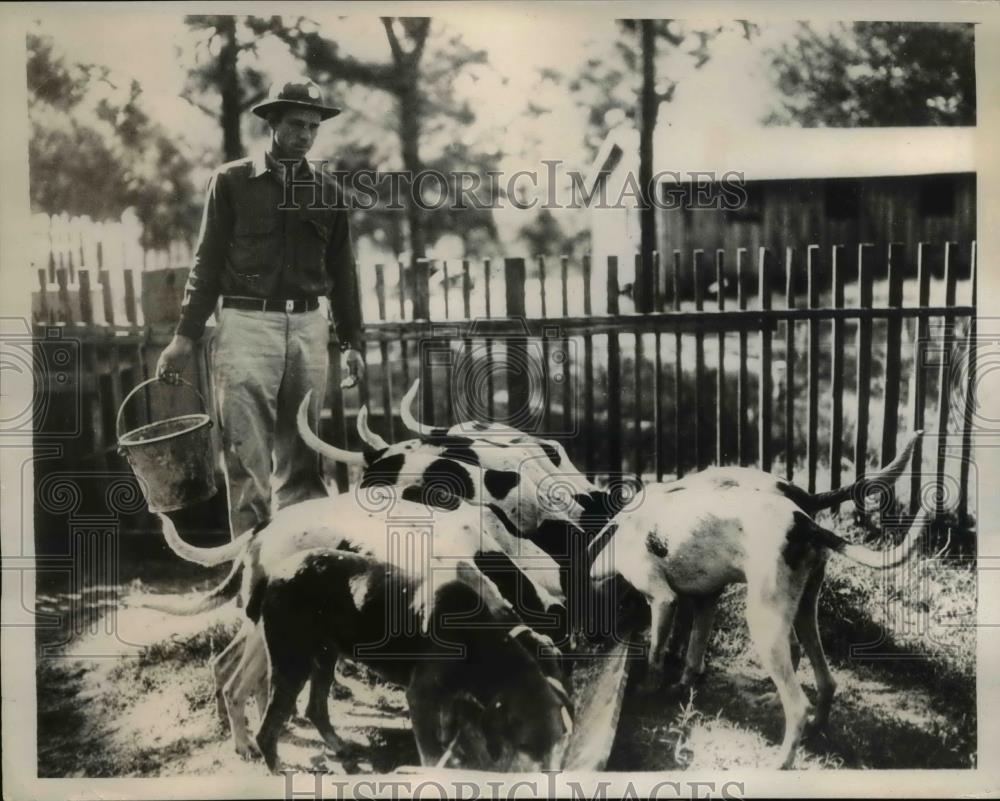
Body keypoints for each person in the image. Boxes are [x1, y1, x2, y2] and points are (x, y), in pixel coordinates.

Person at [155, 78, 365, 539]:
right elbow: (205, 263)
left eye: (313, 126)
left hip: (309, 327)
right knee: (246, 454)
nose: (305, 135)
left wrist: (351, 342)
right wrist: (183, 338)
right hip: (246, 324)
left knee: (304, 455)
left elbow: (343, 273)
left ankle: (298, 568)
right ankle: (250, 572)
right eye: (295, 124)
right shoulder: (231, 182)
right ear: (271, 122)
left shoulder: (329, 191)